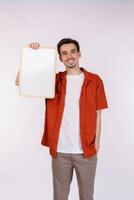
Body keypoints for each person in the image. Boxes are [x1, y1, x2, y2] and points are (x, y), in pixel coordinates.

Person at [15, 38, 108, 200]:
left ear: (79, 54)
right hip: (60, 152)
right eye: (64, 53)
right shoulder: (53, 80)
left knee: (87, 196)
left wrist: (97, 143)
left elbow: (98, 114)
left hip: (86, 152)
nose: (69, 56)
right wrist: (31, 55)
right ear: (60, 58)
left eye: (72, 52)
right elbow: (20, 81)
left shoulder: (95, 80)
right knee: (59, 197)